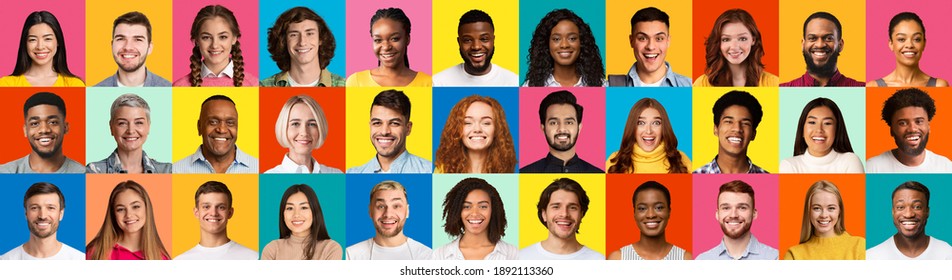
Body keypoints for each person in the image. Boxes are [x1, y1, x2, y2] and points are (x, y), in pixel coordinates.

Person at [867, 88, 952, 172]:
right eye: (902, 123)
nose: (912, 129)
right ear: (892, 130)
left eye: (919, 121)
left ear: (928, 127)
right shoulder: (872, 167)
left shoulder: (946, 167)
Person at [348, 89, 431, 173]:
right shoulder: (352, 173)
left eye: (394, 123)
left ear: (408, 128)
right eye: (377, 123)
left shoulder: (428, 170)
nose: (384, 132)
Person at [173, 5, 258, 87]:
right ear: (197, 40)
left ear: (234, 38)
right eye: (206, 37)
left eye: (223, 37)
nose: (214, 45)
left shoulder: (254, 85)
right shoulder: (179, 87)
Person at [433, 178, 517, 260]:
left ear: (493, 210)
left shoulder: (513, 254)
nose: (475, 213)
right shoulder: (440, 255)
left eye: (483, 206)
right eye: (467, 206)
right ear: (457, 211)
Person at [345, 180, 432, 260]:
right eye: (381, 206)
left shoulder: (427, 256)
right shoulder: (350, 255)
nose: (388, 214)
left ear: (407, 211)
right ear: (370, 211)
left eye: (396, 206)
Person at [0, 92, 84, 173]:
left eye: (53, 122)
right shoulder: (5, 172)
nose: (44, 130)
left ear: (65, 127)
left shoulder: (83, 172)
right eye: (35, 123)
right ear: (25, 130)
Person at [519, 178, 603, 260]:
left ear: (582, 214)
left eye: (572, 208)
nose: (564, 214)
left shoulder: (599, 260)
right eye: (556, 207)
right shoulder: (521, 258)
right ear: (544, 214)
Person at [86, 94, 172, 173]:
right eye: (122, 123)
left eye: (138, 122)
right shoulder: (92, 171)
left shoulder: (168, 170)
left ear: (148, 126)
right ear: (111, 127)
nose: (131, 131)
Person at [173, 95, 259, 174]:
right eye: (213, 122)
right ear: (199, 127)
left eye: (230, 123)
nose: (222, 130)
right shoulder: (176, 170)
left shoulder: (260, 169)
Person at [260, 7, 344, 87]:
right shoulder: (263, 87)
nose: (302, 42)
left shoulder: (345, 88)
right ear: (284, 41)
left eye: (309, 33)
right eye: (294, 35)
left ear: (321, 39)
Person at [346, 7, 431, 87]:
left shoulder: (428, 83)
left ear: (407, 39)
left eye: (394, 39)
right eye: (378, 40)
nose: (386, 47)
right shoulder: (356, 82)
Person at [521, 90, 602, 173]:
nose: (562, 128)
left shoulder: (598, 174)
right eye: (554, 123)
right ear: (543, 128)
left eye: (569, 122)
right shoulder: (525, 173)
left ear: (579, 128)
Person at [86, 180, 170, 260]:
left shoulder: (161, 258)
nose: (129, 215)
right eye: (121, 209)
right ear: (113, 214)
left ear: (147, 208)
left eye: (136, 207)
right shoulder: (95, 252)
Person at [432, 9, 518, 86]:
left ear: (493, 40)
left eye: (484, 39)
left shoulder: (513, 82)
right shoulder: (439, 82)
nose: (476, 47)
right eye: (467, 40)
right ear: (459, 42)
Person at [607, 7, 690, 87]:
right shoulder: (607, 87)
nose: (650, 47)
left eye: (659, 38)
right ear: (631, 41)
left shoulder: (690, 86)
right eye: (642, 38)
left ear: (668, 41)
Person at [868, 181, 952, 260]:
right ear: (893, 212)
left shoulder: (946, 254)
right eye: (900, 207)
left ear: (927, 211)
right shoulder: (872, 256)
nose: (908, 214)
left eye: (917, 207)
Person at [696, 180, 778, 260]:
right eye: (726, 208)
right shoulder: (702, 260)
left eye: (742, 208)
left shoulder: (775, 258)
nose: (733, 215)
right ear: (717, 214)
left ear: (754, 213)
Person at [608, 181, 691, 260]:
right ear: (634, 213)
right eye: (642, 208)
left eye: (659, 207)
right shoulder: (618, 258)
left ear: (669, 211)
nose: (651, 215)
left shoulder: (686, 258)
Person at [694, 9, 778, 87]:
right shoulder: (702, 84)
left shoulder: (774, 84)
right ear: (718, 42)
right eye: (726, 39)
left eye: (742, 39)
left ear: (753, 40)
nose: (734, 47)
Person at [0, 182, 84, 260]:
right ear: (26, 213)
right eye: (34, 208)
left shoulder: (80, 259)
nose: (42, 216)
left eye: (51, 208)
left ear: (61, 214)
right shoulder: (5, 260)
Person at [175, 181, 257, 260]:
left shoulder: (253, 258)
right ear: (196, 212)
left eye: (221, 207)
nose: (213, 213)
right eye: (206, 207)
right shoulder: (180, 261)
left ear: (230, 213)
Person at [784, 180, 865, 260]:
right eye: (817, 208)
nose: (824, 215)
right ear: (808, 211)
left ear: (839, 211)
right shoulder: (794, 255)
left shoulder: (860, 246)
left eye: (831, 208)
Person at [434, 95, 516, 173]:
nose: (477, 129)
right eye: (467, 123)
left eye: (486, 123)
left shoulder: (506, 171)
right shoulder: (442, 171)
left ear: (497, 129)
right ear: (456, 129)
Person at [0, 11, 84, 86]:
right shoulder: (6, 84)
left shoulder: (74, 85)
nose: (40, 47)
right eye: (32, 40)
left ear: (58, 41)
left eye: (47, 39)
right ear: (25, 43)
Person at [524, 9, 605, 87]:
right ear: (546, 44)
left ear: (582, 43)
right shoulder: (530, 87)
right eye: (556, 39)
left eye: (572, 38)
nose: (564, 45)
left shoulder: (603, 86)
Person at [780, 97, 863, 173]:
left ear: (837, 130)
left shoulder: (850, 161)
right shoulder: (789, 165)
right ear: (802, 129)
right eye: (812, 122)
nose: (819, 129)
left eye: (827, 123)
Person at [607, 98, 690, 173]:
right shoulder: (615, 161)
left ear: (664, 127)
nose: (648, 131)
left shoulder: (681, 159)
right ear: (632, 126)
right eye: (641, 123)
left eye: (656, 123)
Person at [780, 12, 863, 87]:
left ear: (840, 45)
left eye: (828, 38)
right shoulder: (782, 89)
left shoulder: (862, 89)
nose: (820, 45)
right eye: (812, 38)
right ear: (803, 44)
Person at [694, 90, 768, 174]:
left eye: (745, 123)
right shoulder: (697, 174)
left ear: (753, 134)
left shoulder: (769, 178)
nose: (737, 128)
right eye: (729, 121)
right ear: (715, 129)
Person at [262, 184, 342, 260]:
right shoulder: (272, 249)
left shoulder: (330, 248)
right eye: (290, 208)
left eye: (304, 207)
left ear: (314, 212)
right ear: (283, 214)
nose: (296, 215)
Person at [868, 12, 948, 87]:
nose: (909, 45)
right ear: (891, 44)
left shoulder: (939, 86)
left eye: (917, 39)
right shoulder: (873, 87)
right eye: (901, 39)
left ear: (924, 43)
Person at [265, 95, 341, 173]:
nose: (304, 133)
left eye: (311, 124)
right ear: (284, 128)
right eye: (295, 124)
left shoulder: (337, 174)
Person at [94, 12, 172, 87]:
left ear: (149, 47)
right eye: (121, 39)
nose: (128, 47)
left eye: (138, 39)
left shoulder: (171, 91)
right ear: (112, 45)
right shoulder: (93, 94)